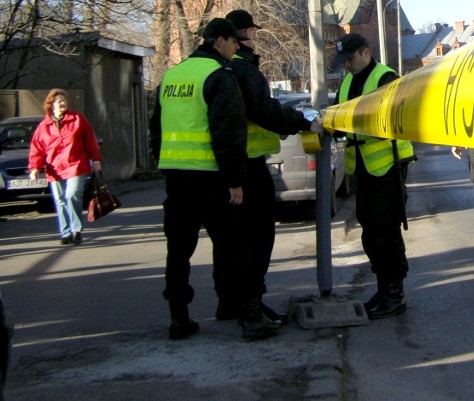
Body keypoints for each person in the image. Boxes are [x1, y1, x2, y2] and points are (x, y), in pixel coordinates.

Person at [149, 18, 282, 341]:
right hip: (212, 179)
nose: (237, 47)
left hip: (177, 180)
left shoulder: (172, 76)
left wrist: (164, 165)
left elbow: (156, 129)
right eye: (234, 42)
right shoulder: (218, 76)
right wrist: (234, 180)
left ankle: (179, 319)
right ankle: (251, 316)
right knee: (235, 247)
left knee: (178, 251)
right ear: (219, 41)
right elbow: (228, 133)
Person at [214, 9, 324, 323]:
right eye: (251, 32)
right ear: (240, 35)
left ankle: (229, 303)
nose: (254, 37)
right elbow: (264, 110)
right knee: (257, 238)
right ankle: (252, 307)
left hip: (220, 166)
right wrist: (304, 122)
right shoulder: (242, 68)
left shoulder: (213, 67)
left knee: (229, 240)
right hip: (248, 166)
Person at [330, 33, 415, 319]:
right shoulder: (346, 83)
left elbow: (399, 116)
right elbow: (341, 119)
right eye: (343, 61)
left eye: (350, 59)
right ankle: (383, 289)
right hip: (362, 168)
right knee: (371, 232)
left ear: (366, 52)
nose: (347, 66)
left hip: (388, 166)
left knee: (387, 231)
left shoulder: (385, 77)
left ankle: (395, 294)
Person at [28, 89, 103, 245]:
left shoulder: (78, 119)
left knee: (71, 195)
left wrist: (96, 159)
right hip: (54, 168)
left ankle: (76, 230)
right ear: (51, 105)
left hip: (76, 165)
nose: (62, 103)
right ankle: (66, 232)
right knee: (60, 201)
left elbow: (91, 140)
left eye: (64, 100)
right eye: (58, 101)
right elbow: (37, 148)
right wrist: (35, 168)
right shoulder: (44, 126)